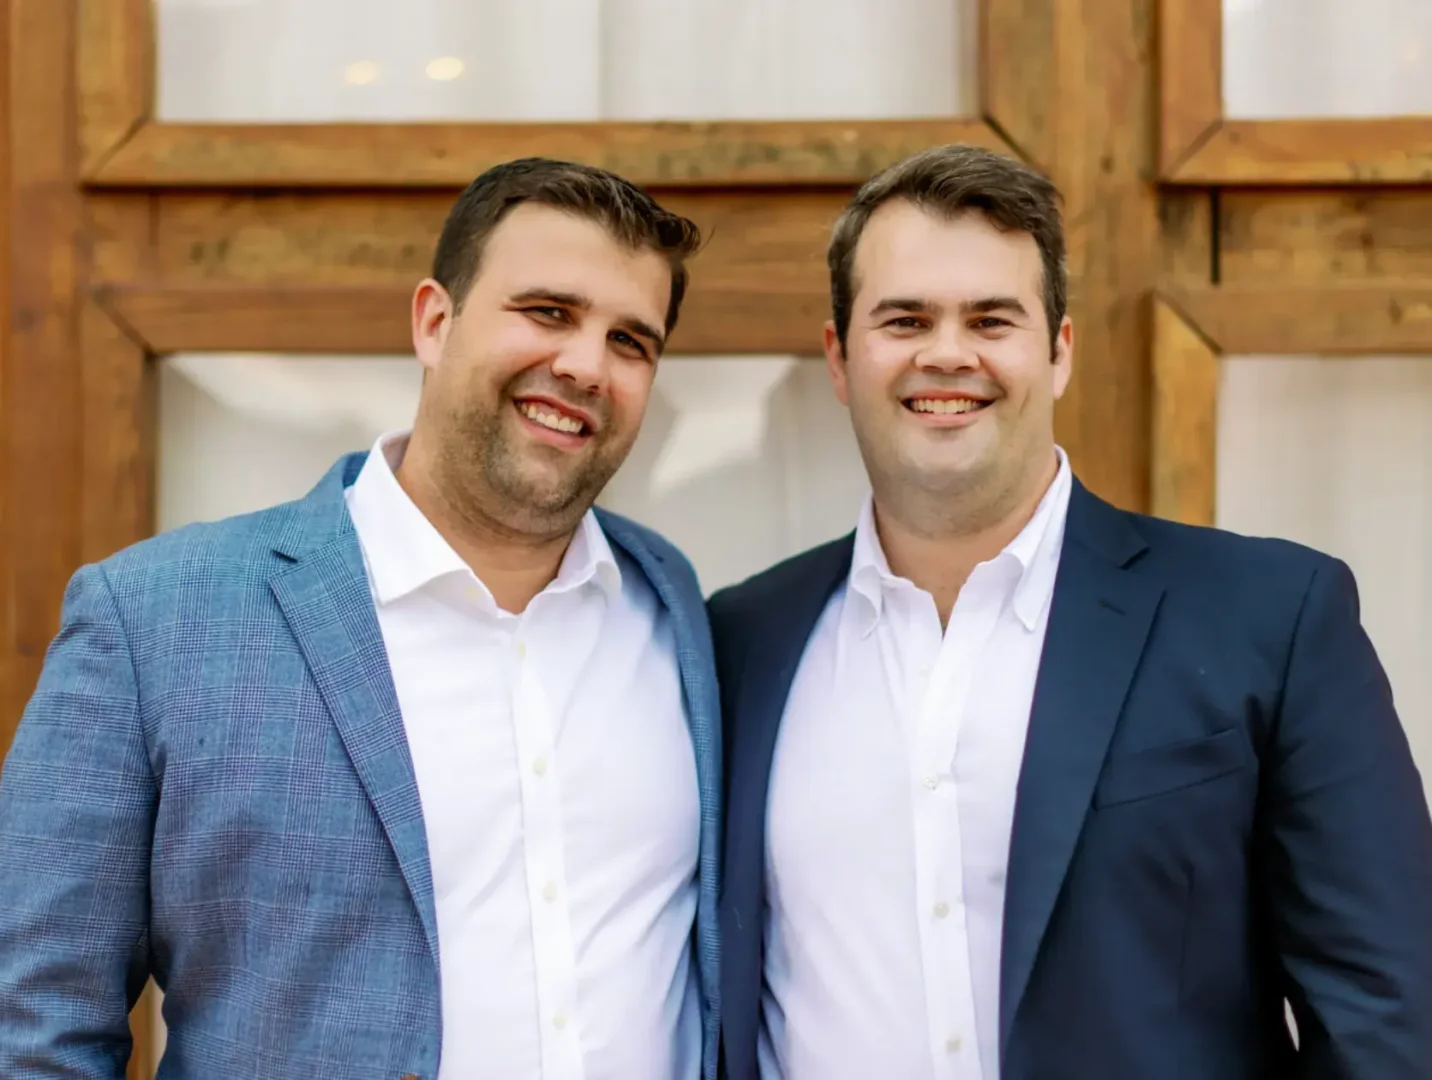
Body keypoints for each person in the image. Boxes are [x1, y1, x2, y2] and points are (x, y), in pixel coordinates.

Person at [711, 144, 1432, 1080]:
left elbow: (1387, 1015)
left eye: (991, 319)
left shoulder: (1270, 618)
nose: (947, 352)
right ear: (839, 358)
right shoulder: (743, 642)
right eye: (904, 319)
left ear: (1058, 353)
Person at [0, 158, 722, 1080]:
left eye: (631, 341)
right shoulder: (154, 620)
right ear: (434, 322)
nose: (586, 364)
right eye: (548, 312)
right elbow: (35, 1024)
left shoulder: (670, 604)